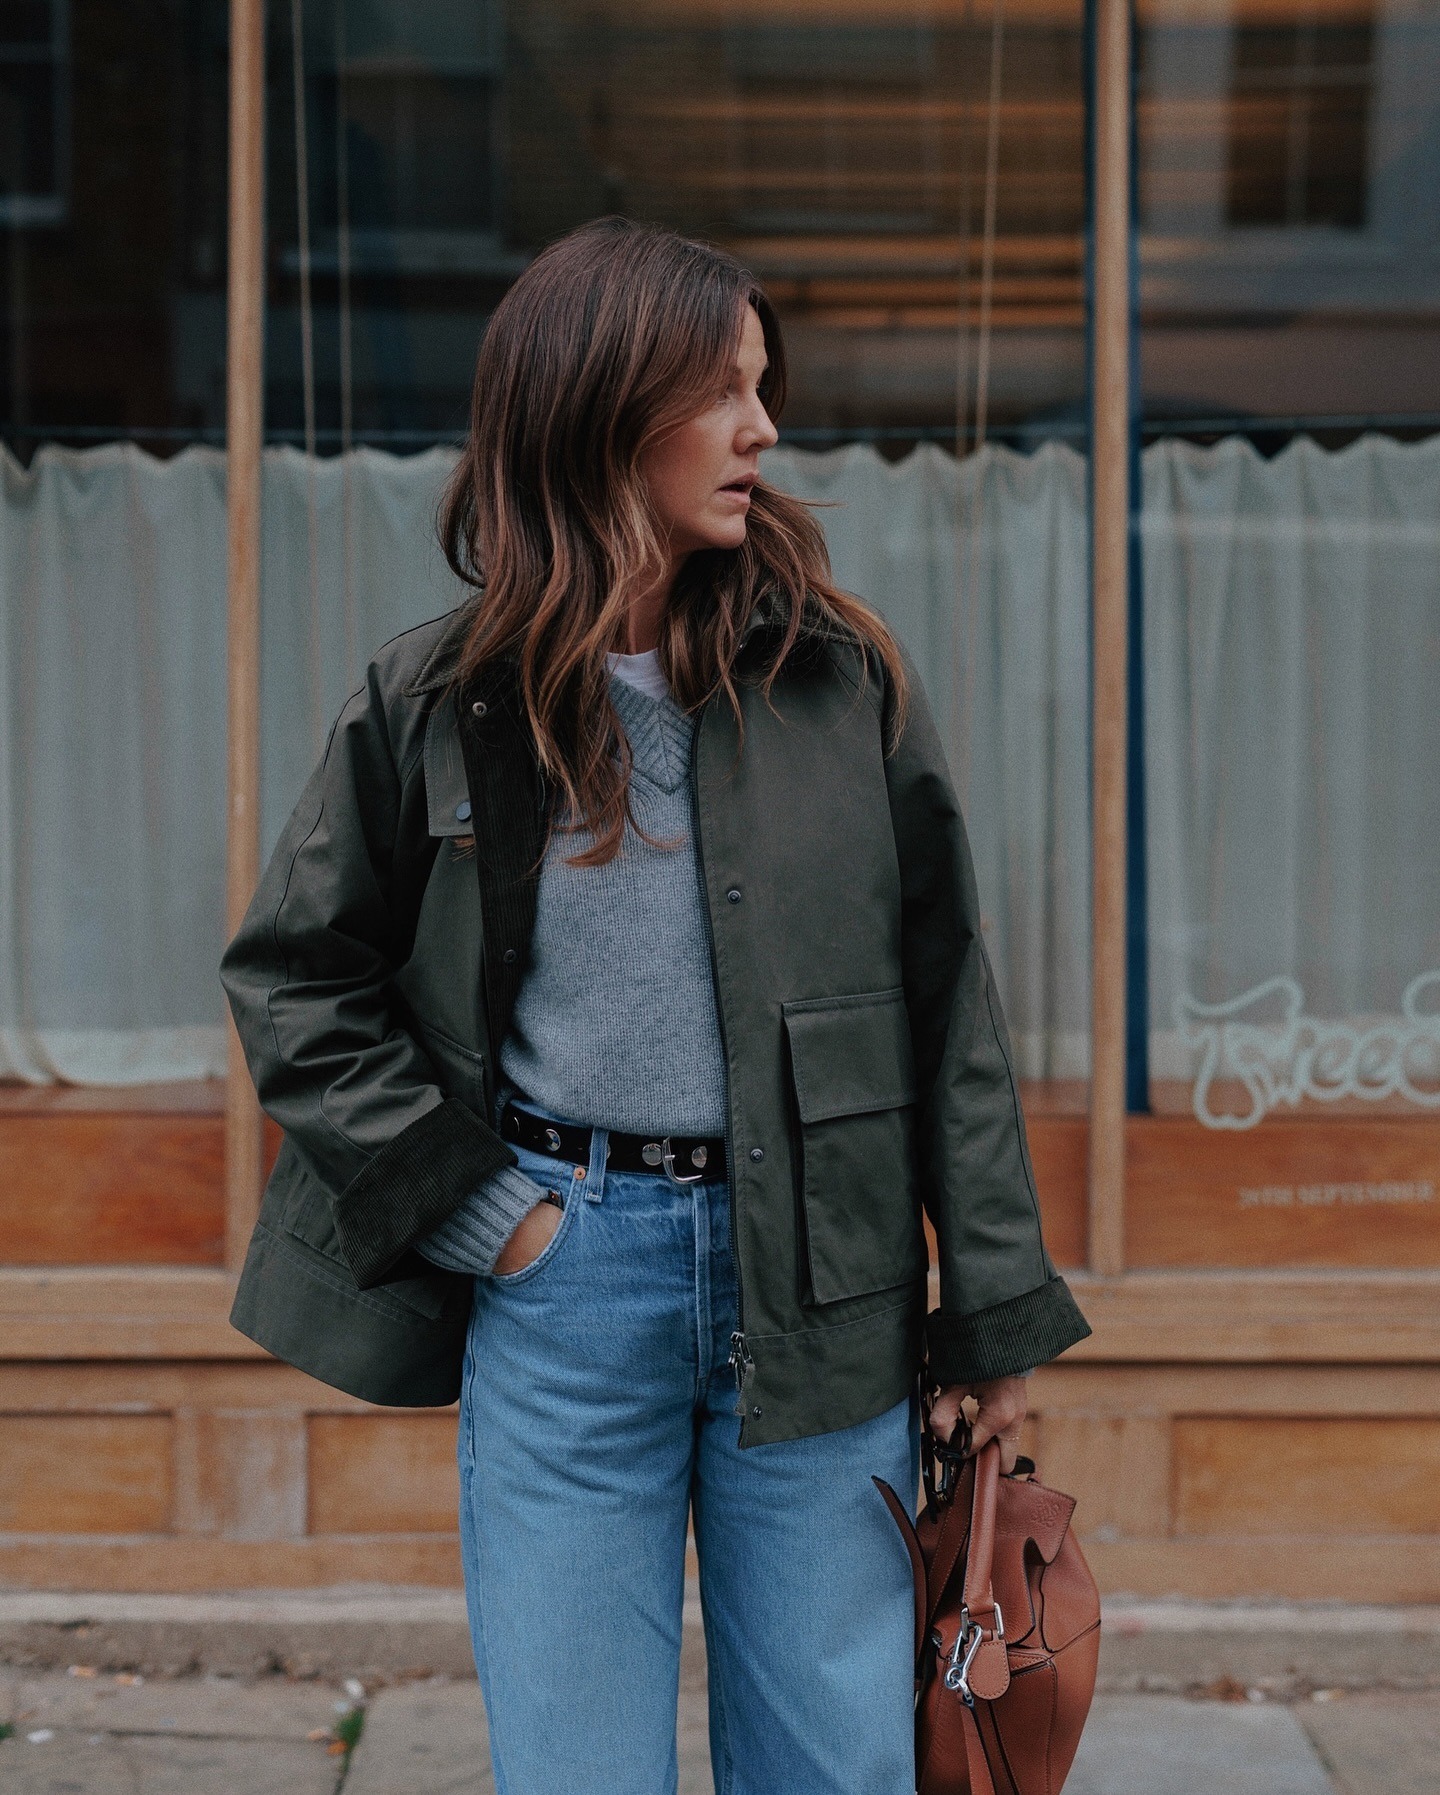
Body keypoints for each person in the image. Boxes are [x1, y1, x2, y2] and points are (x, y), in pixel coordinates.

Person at [220, 217, 1089, 1795]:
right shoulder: (434, 699)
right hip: (565, 1286)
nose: (766, 429)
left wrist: (990, 1317)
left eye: (767, 388)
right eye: (725, 392)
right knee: (575, 1769)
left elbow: (950, 998)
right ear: (599, 408)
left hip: (826, 1296)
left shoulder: (843, 684)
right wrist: (497, 1222)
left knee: (834, 1767)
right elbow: (296, 981)